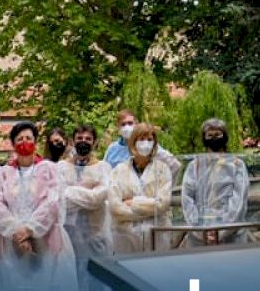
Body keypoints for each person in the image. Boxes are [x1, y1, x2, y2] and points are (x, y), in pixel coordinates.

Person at [0, 121, 78, 291]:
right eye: (19, 139)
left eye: (28, 138)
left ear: (35, 142)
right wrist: (16, 230)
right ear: (13, 144)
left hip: (43, 244)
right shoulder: (5, 173)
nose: (24, 143)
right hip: (11, 245)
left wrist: (31, 230)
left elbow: (53, 202)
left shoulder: (48, 169)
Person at [53, 123, 112, 291]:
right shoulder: (61, 168)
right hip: (68, 237)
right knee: (65, 284)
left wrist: (70, 193)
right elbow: (58, 197)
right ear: (72, 141)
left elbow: (99, 198)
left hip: (95, 236)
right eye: (79, 138)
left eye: (88, 138)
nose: (83, 142)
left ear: (94, 142)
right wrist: (87, 192)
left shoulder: (103, 168)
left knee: (98, 285)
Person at [181, 118, 249, 247]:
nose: (214, 138)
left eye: (217, 135)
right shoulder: (194, 166)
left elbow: (239, 201)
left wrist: (222, 231)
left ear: (225, 136)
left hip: (231, 236)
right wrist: (199, 230)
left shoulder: (237, 165)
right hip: (199, 236)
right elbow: (187, 199)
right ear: (204, 138)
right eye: (210, 135)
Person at [108, 123, 173, 254]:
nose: (146, 143)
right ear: (133, 142)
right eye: (141, 139)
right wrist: (149, 208)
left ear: (154, 143)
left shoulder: (162, 169)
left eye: (149, 139)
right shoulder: (118, 171)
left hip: (156, 236)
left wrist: (133, 202)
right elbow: (115, 208)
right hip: (126, 237)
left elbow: (162, 204)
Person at [103, 108, 182, 179]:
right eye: (123, 124)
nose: (127, 127)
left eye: (130, 123)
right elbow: (104, 173)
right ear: (118, 126)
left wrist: (164, 185)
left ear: (136, 124)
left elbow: (175, 165)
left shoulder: (146, 146)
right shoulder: (112, 149)